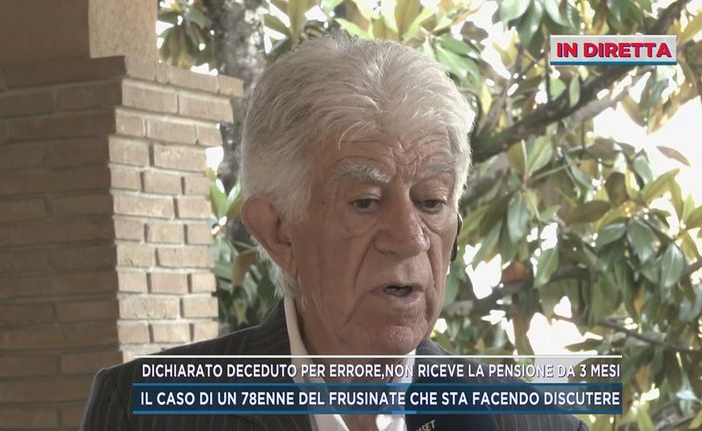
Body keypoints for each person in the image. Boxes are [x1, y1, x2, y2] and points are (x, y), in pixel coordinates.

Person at [82, 34, 589, 430]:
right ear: (279, 232)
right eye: (365, 203)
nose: (410, 238)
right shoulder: (142, 412)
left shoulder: (535, 422)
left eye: (431, 202)